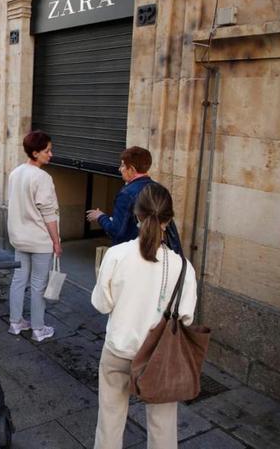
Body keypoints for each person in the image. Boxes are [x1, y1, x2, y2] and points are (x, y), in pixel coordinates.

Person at [91, 183, 197, 449]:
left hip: (118, 349)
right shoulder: (183, 267)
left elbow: (102, 304)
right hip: (159, 356)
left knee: (110, 419)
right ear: (168, 220)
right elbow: (186, 318)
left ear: (136, 215)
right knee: (163, 427)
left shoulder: (115, 255)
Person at [6, 130, 61, 343]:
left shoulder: (15, 173)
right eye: (47, 151)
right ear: (36, 152)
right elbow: (48, 213)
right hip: (40, 240)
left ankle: (15, 322)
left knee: (18, 281)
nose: (51, 154)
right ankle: (38, 328)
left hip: (19, 238)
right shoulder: (42, 177)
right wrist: (56, 241)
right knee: (38, 284)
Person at [86, 146, 155, 246]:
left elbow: (116, 232)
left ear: (131, 169)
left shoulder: (126, 194)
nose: (119, 169)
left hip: (131, 252)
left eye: (122, 165)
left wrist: (100, 216)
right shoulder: (160, 189)